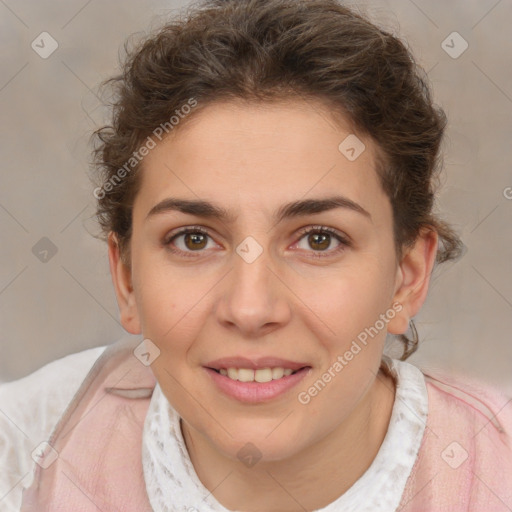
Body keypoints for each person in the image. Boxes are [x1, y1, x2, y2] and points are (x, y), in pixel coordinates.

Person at [1, 0, 511, 510]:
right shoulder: (23, 453)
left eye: (319, 239)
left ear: (407, 277)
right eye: (194, 239)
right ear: (127, 279)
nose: (250, 309)